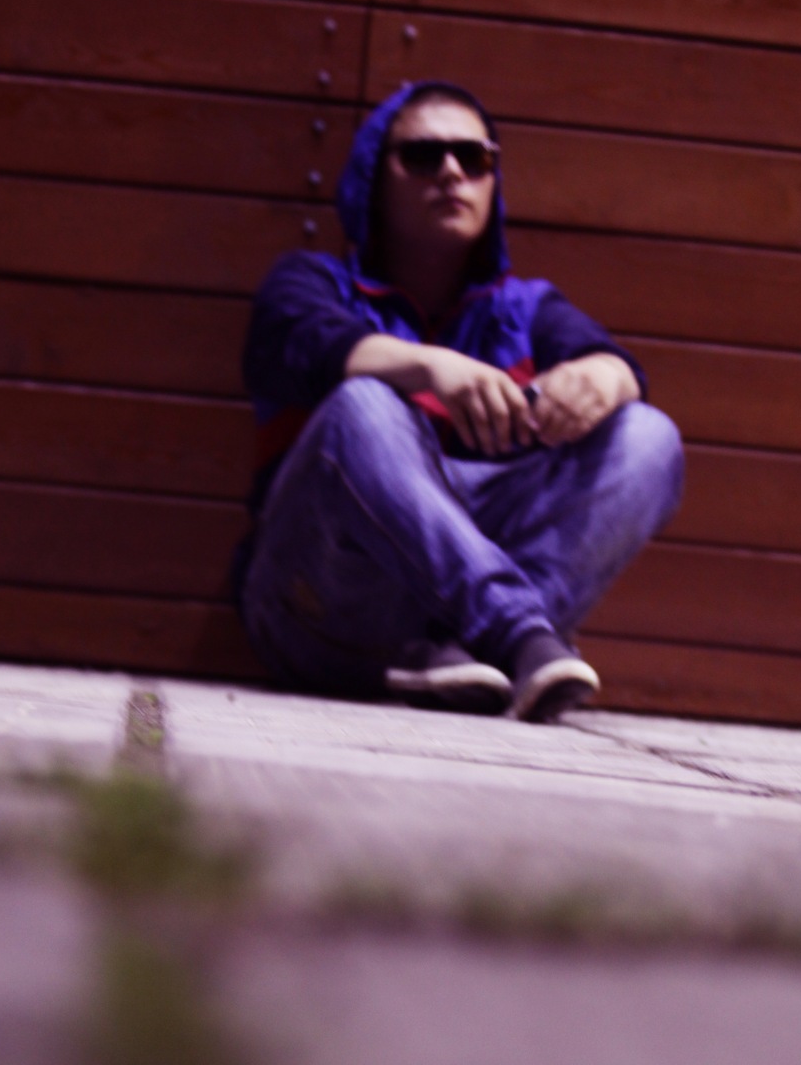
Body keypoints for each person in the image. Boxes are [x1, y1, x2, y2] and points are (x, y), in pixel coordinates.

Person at [235, 81, 684, 722]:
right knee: (363, 406)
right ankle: (517, 635)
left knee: (648, 435)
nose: (451, 172)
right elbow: (309, 344)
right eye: (423, 156)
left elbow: (614, 367)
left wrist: (603, 378)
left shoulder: (526, 310)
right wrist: (429, 367)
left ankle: (473, 642)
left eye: (473, 158)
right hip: (322, 614)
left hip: (463, 641)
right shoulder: (309, 283)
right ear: (373, 178)